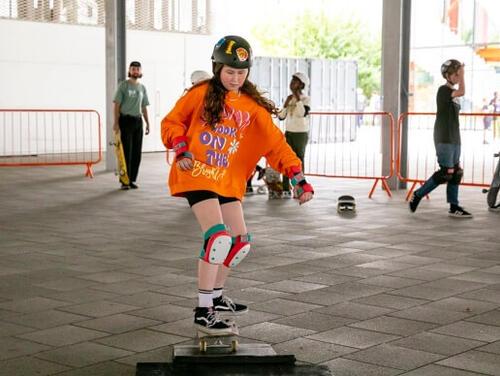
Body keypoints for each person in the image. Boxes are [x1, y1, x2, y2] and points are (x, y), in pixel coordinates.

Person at [161, 35, 314, 335]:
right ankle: (203, 311)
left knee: (239, 242)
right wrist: (180, 146)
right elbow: (172, 121)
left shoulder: (251, 106)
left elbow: (276, 144)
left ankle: (216, 297)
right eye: (230, 72)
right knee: (217, 237)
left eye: (241, 73)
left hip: (227, 182)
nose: (235, 78)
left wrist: (298, 177)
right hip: (196, 173)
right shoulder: (201, 93)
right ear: (217, 68)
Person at [409, 59, 472, 218]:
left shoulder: (453, 94)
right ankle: (418, 194)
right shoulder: (443, 90)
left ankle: (454, 206)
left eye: (458, 73)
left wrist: (461, 73)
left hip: (455, 137)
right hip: (443, 136)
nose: (458, 76)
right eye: (456, 74)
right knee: (446, 172)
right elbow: (462, 91)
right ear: (447, 75)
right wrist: (463, 75)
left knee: (456, 172)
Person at [113, 61, 150, 190]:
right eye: (133, 69)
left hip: (138, 121)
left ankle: (132, 179)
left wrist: (147, 123)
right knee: (126, 152)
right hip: (126, 121)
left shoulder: (142, 88)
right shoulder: (123, 86)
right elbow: (117, 105)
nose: (135, 71)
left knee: (136, 153)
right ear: (129, 71)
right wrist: (116, 122)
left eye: (137, 69)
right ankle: (124, 181)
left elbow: (144, 106)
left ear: (140, 72)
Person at [278, 72, 311, 198]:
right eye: (292, 81)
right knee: (286, 160)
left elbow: (302, 113)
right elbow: (281, 116)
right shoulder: (289, 98)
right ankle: (286, 188)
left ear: (301, 85)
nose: (292, 83)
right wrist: (286, 104)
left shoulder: (305, 99)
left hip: (300, 134)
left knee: (298, 161)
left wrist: (297, 98)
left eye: (295, 81)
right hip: (289, 132)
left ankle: (300, 188)